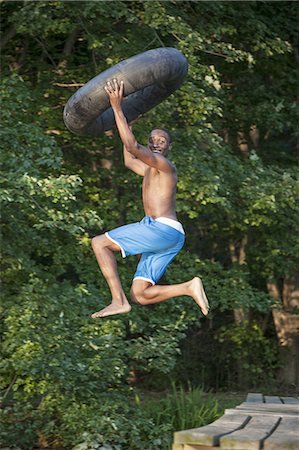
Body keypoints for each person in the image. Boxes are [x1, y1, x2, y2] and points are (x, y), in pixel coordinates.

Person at [91, 79, 209, 318]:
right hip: (170, 237)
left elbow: (133, 147)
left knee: (99, 243)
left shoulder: (165, 166)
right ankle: (188, 287)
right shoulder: (148, 170)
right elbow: (128, 159)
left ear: (168, 148)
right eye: (152, 139)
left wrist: (117, 108)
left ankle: (117, 301)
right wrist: (130, 124)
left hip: (162, 230)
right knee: (141, 294)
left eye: (161, 141)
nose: (155, 143)